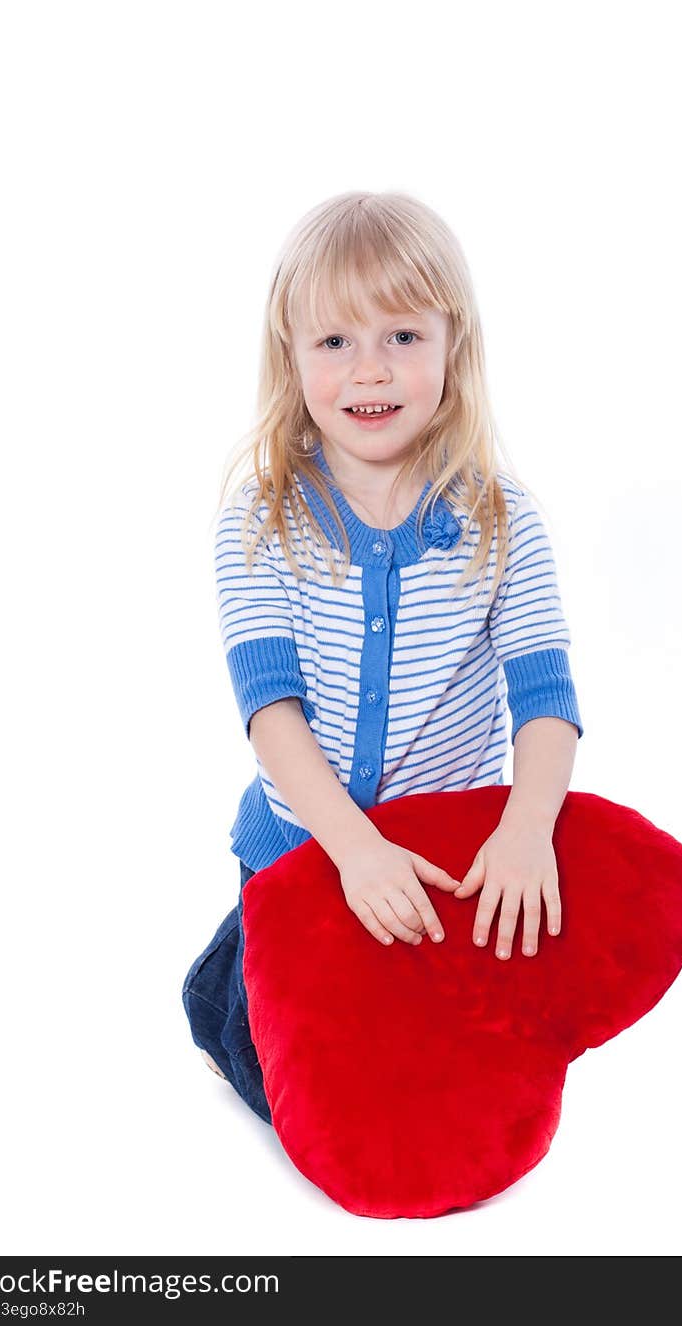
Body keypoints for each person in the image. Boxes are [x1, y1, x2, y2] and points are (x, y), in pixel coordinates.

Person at [181, 189, 584, 1125]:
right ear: (292, 357)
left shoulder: (504, 522)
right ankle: (221, 986)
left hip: (444, 858)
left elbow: (545, 700)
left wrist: (526, 830)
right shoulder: (260, 520)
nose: (372, 370)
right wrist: (354, 849)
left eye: (403, 336)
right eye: (335, 342)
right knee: (318, 1100)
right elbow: (270, 713)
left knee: (441, 1053)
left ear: (455, 347)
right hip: (305, 847)